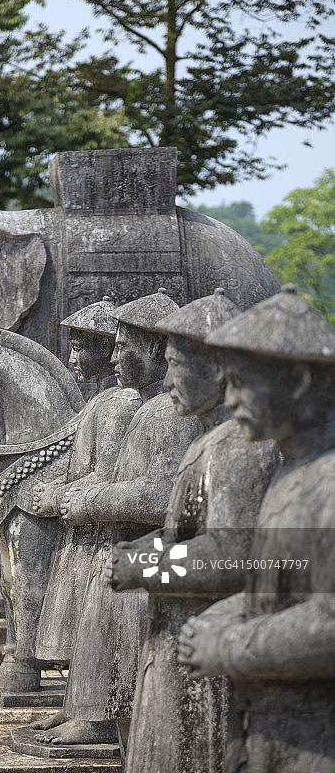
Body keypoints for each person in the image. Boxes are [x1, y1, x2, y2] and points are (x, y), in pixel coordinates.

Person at [107, 289, 279, 773]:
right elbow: (186, 533)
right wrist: (147, 547)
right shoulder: (211, 442)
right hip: (177, 637)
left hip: (205, 648)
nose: (166, 379)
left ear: (218, 368)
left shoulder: (241, 448)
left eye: (177, 364)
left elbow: (233, 554)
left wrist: (144, 564)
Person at [34, 289, 200, 755]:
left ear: (154, 349)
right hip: (131, 548)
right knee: (101, 619)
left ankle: (101, 717)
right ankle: (93, 712)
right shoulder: (148, 407)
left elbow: (160, 493)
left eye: (125, 345)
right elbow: (121, 474)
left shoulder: (168, 415)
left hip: (152, 550)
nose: (116, 354)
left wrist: (89, 502)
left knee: (116, 619)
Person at [178, 284, 335, 773]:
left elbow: (329, 621)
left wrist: (227, 646)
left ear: (300, 381)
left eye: (242, 381)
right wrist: (224, 618)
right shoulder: (294, 472)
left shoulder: (328, 482)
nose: (229, 399)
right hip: (269, 725)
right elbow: (279, 580)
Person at [31, 296, 141, 663]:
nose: (71, 358)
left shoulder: (120, 403)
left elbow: (105, 474)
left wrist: (57, 495)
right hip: (82, 529)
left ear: (107, 347)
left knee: (93, 636)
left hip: (98, 535)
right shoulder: (100, 400)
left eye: (79, 347)